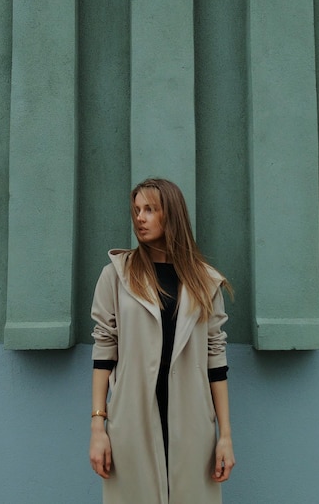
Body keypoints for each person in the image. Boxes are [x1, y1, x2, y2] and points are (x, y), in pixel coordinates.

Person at [89, 178, 235, 504]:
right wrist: (99, 427)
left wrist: (224, 435)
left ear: (171, 215)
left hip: (192, 420)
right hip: (131, 417)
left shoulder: (204, 281)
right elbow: (103, 351)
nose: (140, 218)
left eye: (150, 210)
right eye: (137, 210)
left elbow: (216, 361)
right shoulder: (116, 275)